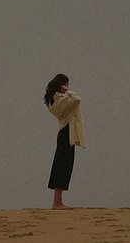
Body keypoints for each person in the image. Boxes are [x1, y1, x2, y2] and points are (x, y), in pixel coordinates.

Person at [42, 72, 84, 209]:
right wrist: (69, 91)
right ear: (60, 85)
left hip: (67, 134)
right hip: (65, 133)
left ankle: (58, 202)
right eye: (65, 84)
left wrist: (66, 91)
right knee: (61, 165)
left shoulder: (61, 98)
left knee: (65, 166)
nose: (67, 87)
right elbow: (77, 100)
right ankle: (56, 203)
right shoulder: (58, 99)